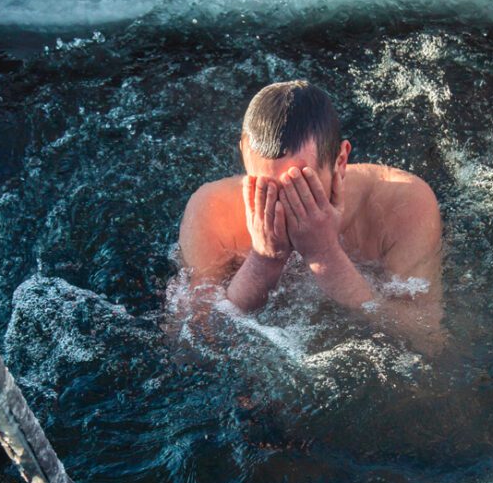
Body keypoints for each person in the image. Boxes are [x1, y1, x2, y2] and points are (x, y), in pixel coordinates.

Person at [175, 80, 445, 353]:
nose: (285, 205)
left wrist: (326, 256)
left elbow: (425, 337)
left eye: (301, 186)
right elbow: (191, 339)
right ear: (244, 153)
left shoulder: (403, 204)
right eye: (268, 189)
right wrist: (264, 259)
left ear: (340, 161)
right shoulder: (213, 211)